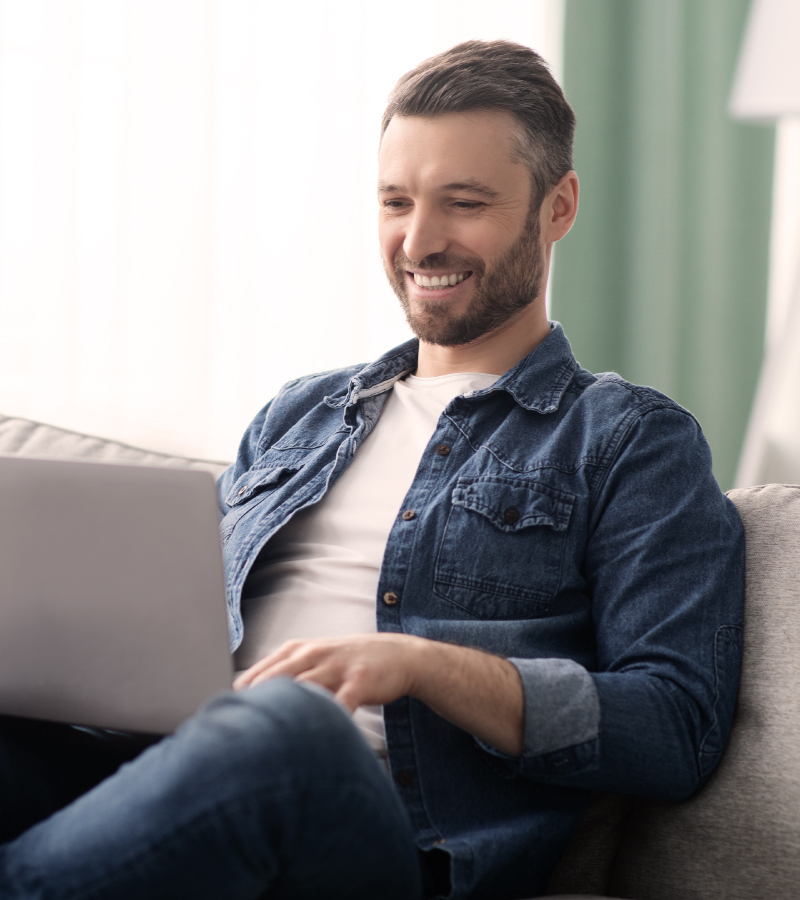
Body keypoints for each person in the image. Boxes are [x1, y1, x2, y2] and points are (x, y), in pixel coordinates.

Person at [0, 40, 744, 900]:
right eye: (396, 202)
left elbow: (675, 725)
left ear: (558, 207)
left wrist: (419, 665)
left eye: (463, 203)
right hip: (169, 771)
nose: (419, 240)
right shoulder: (299, 415)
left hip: (377, 829)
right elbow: (166, 635)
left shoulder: (626, 441)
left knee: (286, 730)